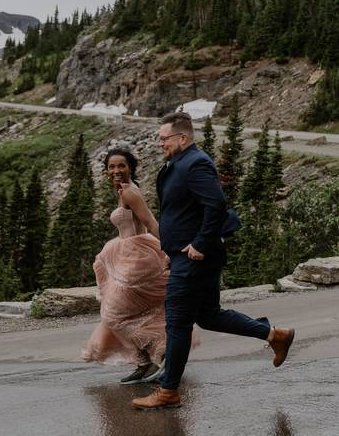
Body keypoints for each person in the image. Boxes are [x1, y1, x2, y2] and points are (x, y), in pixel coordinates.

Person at [132, 112, 295, 411]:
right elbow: (183, 212)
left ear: (183, 137)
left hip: (194, 256)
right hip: (185, 255)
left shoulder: (196, 163)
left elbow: (216, 205)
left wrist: (199, 244)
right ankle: (275, 335)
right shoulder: (178, 164)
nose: (160, 144)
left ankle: (168, 390)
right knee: (208, 315)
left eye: (164, 139)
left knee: (178, 321)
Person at [81, 148, 171, 384]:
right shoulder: (121, 190)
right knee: (128, 313)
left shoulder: (130, 192)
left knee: (114, 313)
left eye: (121, 166)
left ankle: (151, 358)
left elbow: (150, 222)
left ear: (130, 167)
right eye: (111, 167)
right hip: (124, 253)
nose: (116, 171)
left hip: (137, 258)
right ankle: (146, 361)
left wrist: (169, 248)